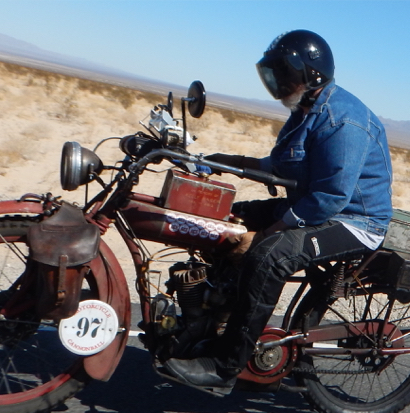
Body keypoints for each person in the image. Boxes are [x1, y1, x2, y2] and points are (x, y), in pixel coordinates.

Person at [163, 29, 393, 391]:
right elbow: (282, 166)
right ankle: (208, 321)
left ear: (310, 74)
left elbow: (331, 196)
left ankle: (225, 366)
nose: (280, 83)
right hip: (311, 207)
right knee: (226, 219)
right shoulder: (306, 111)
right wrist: (222, 162)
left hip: (354, 221)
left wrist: (270, 232)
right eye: (276, 75)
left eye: (286, 74)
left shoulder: (343, 120)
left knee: (269, 255)